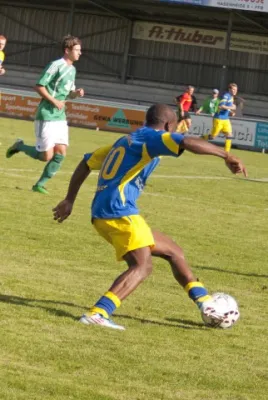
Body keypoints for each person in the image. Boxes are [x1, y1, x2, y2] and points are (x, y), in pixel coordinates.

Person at [53, 104, 247, 331]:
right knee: (142, 266)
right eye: (174, 127)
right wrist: (226, 154)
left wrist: (69, 200)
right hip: (119, 211)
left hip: (106, 212)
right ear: (167, 125)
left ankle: (205, 303)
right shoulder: (152, 138)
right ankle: (98, 313)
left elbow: (86, 162)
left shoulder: (127, 140)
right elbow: (186, 142)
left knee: (173, 252)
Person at [6, 35, 84, 194]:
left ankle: (39, 185)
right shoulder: (55, 65)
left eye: (80, 50)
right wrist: (54, 101)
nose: (80, 53)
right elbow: (39, 86)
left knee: (61, 153)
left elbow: (67, 93)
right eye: (77, 50)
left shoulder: (73, 70)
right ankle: (19, 146)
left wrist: (76, 94)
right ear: (67, 50)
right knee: (45, 156)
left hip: (60, 116)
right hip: (47, 115)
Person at [203, 83, 238, 153]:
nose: (234, 91)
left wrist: (230, 111)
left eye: (236, 90)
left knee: (229, 135)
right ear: (229, 89)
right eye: (233, 89)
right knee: (212, 137)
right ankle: (200, 139)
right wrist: (232, 107)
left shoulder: (231, 97)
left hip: (226, 119)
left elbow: (226, 108)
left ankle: (226, 153)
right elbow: (221, 106)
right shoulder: (226, 96)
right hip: (218, 119)